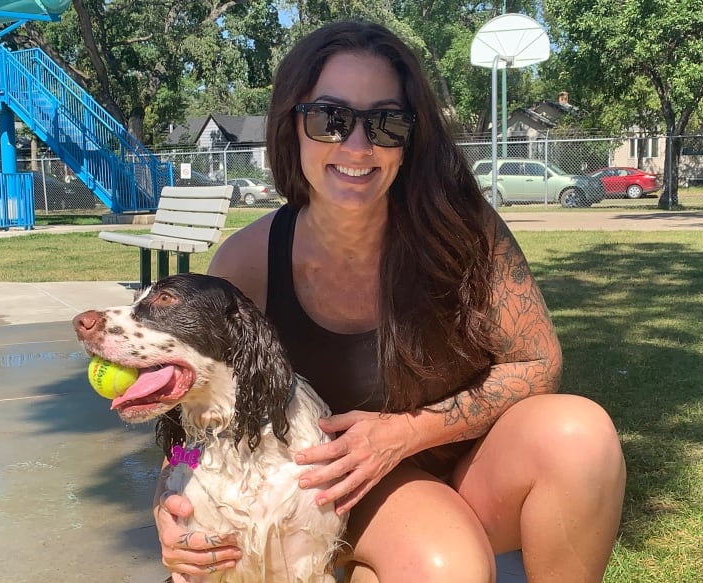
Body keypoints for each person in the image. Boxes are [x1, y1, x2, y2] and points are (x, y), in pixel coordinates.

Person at [153, 20, 626, 583]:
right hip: (346, 493)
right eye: (330, 118)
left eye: (386, 123)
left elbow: (537, 362)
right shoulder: (247, 263)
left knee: (579, 435)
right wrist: (169, 495)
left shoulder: (462, 231)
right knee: (444, 569)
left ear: (410, 138)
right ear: (292, 125)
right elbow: (195, 422)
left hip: (473, 468)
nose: (358, 146)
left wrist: (406, 432)